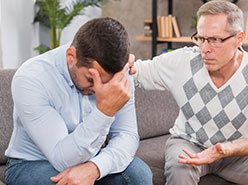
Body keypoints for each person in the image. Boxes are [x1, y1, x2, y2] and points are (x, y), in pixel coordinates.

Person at [129, 1, 248, 184]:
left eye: (215, 40)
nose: (205, 49)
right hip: (190, 144)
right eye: (201, 38)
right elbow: (137, 72)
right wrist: (124, 62)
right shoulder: (182, 61)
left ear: (239, 39)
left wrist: (228, 149)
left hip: (237, 152)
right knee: (180, 166)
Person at [5, 17, 152, 185]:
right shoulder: (31, 79)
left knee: (139, 175)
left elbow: (128, 135)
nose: (99, 90)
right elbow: (61, 159)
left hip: (91, 157)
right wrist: (104, 111)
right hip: (33, 162)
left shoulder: (119, 75)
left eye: (106, 83)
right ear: (71, 57)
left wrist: (95, 168)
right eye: (91, 79)